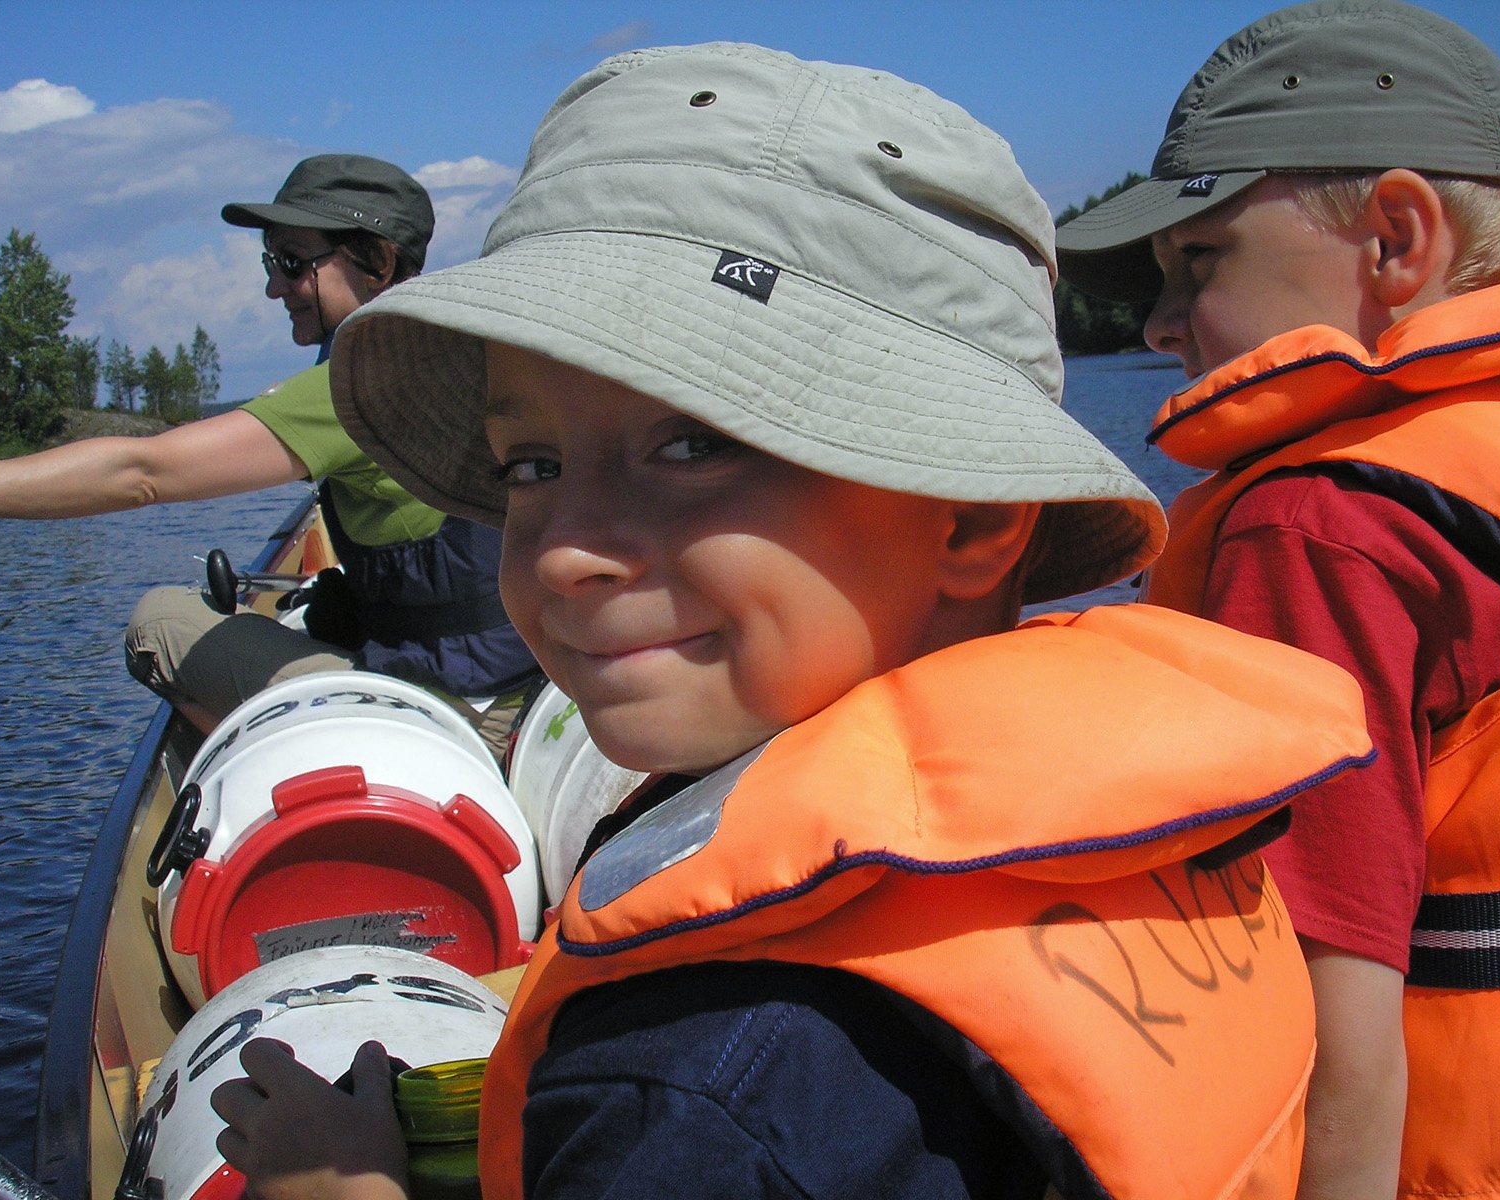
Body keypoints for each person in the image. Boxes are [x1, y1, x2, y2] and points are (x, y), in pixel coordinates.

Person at [210, 43, 1374, 1200]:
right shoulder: (1165, 833)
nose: (563, 550)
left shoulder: (695, 1095)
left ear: (971, 516)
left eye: (692, 445)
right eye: (531, 464)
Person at [1054, 3, 1500, 1197]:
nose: (1158, 323)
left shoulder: (1318, 530)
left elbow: (1326, 1018)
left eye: (1199, 260)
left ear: (1394, 240)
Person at [0, 153, 538, 750]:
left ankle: (298, 769)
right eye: (270, 261)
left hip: (455, 714)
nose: (274, 286)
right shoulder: (458, 348)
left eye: (292, 262)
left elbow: (142, 473)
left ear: (378, 262)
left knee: (158, 622)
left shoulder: (360, 383)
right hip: (523, 685)